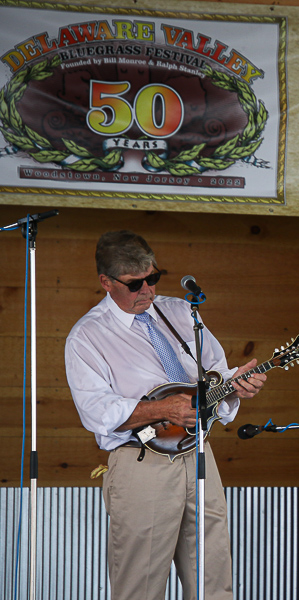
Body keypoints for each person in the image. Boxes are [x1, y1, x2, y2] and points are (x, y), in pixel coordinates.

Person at [65, 230, 266, 600]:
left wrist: (234, 386)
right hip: (142, 462)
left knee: (213, 577)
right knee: (141, 585)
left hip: (200, 455)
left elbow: (213, 376)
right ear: (105, 282)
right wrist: (161, 409)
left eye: (153, 278)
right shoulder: (87, 336)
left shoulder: (180, 312)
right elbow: (97, 412)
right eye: (134, 283)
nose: (147, 290)